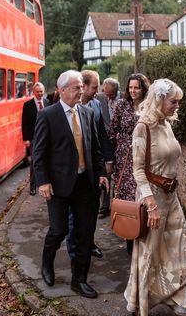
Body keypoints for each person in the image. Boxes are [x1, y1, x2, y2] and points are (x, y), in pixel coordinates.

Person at [124, 78, 186, 316]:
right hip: (151, 200)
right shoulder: (142, 127)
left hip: (171, 199)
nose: (177, 106)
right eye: (174, 101)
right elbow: (138, 170)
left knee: (184, 248)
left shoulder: (166, 124)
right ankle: (139, 304)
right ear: (160, 100)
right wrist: (150, 205)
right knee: (150, 253)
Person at [33, 70, 108, 299]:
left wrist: (102, 173)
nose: (81, 91)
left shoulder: (87, 113)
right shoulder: (48, 115)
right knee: (59, 230)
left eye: (82, 87)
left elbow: (94, 147)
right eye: (77, 87)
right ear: (62, 89)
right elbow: (38, 153)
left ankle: (79, 280)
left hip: (85, 184)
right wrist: (43, 181)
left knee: (85, 233)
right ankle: (47, 263)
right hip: (58, 185)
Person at [65, 70, 111, 260]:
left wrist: (107, 162)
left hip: (92, 170)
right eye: (94, 86)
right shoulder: (65, 107)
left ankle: (89, 243)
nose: (98, 90)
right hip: (71, 173)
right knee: (72, 217)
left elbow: (102, 136)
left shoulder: (97, 104)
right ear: (83, 87)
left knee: (90, 212)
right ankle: (74, 251)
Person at [109, 73, 150, 256]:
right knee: (127, 199)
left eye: (137, 87)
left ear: (143, 89)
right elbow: (112, 131)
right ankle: (129, 238)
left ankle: (145, 237)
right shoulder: (121, 105)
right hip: (124, 158)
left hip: (143, 156)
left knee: (143, 197)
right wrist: (110, 158)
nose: (133, 91)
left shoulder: (149, 106)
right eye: (130, 87)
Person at [96, 77, 120, 217]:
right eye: (105, 93)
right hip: (105, 143)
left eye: (110, 94)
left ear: (116, 91)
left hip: (121, 143)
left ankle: (119, 205)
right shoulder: (99, 97)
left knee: (121, 175)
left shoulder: (124, 98)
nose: (107, 96)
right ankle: (104, 206)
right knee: (105, 173)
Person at [21, 82, 50, 195]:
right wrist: (26, 139)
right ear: (34, 92)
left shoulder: (47, 102)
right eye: (38, 92)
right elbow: (25, 123)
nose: (40, 93)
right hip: (34, 139)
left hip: (47, 137)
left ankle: (46, 183)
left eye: (41, 91)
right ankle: (33, 186)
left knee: (47, 161)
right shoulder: (28, 105)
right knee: (34, 162)